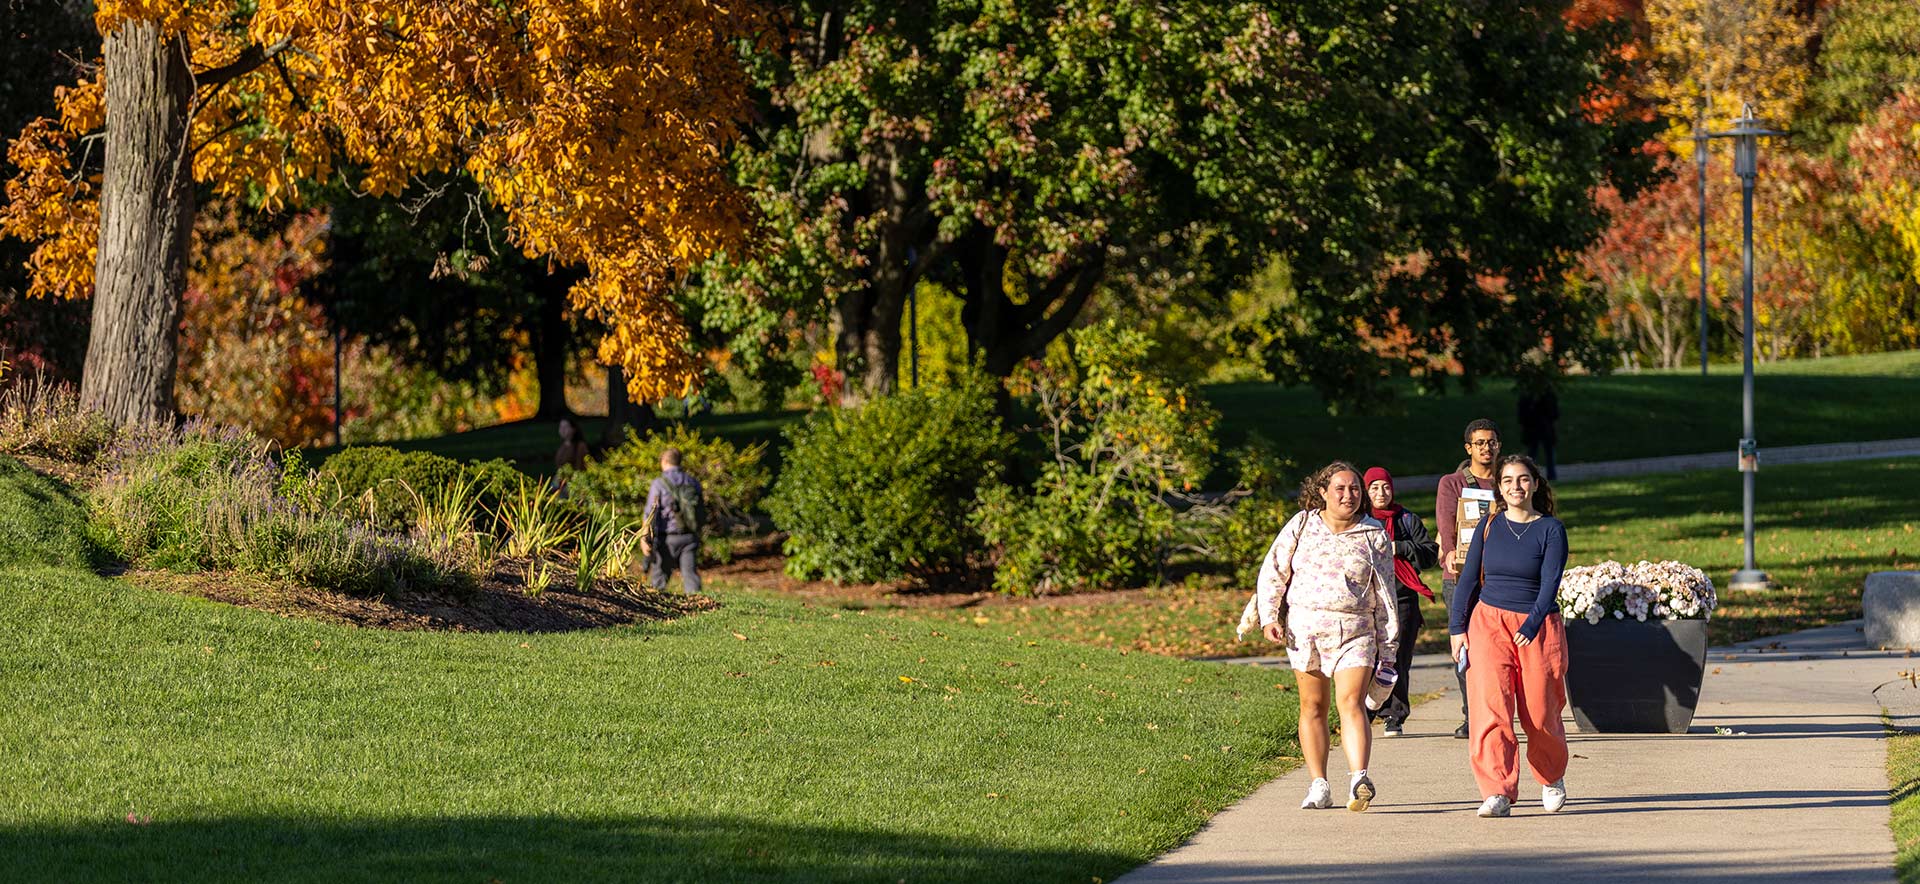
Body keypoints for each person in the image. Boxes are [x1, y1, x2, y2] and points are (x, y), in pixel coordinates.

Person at [1256, 461, 1398, 812]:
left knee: (1350, 702)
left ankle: (1358, 779)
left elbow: (1385, 595)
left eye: (1354, 489)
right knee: (1313, 705)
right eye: (1340, 488)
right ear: (1322, 492)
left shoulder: (1373, 535)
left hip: (1355, 631)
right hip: (1305, 630)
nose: (1348, 495)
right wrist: (1268, 617)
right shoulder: (1302, 524)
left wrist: (1388, 644)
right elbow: (1273, 571)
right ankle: (1319, 784)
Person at [1448, 455, 1569, 818]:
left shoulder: (1550, 529)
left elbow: (1550, 583)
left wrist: (1530, 625)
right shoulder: (1489, 526)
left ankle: (1551, 778)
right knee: (1490, 709)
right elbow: (1468, 579)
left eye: (1523, 480)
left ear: (1535, 484)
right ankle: (1497, 790)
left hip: (1537, 627)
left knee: (1541, 710)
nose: (1515, 487)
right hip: (1488, 623)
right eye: (1507, 481)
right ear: (1499, 487)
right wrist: (1457, 627)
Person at [1435, 418, 1501, 739]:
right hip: (1461, 576)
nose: (1486, 448)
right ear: (1468, 448)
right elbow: (1447, 523)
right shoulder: (1454, 483)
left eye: (1491, 442)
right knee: (1464, 646)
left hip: (1501, 577)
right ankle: (1471, 715)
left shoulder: (1509, 481)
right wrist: (1449, 551)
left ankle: (1499, 712)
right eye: (1479, 443)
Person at [1361, 466, 1439, 737]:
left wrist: (1400, 547)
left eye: (1385, 487)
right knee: (1367, 657)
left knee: (1398, 658)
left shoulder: (1406, 519)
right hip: (1368, 599)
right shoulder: (1359, 520)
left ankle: (1394, 714)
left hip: (1403, 597)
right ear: (1365, 492)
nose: (1380, 493)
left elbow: (1430, 554)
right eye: (1374, 488)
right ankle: (1367, 709)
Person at [644, 447, 706, 594]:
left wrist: (646, 539)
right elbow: (702, 511)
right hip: (689, 536)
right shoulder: (693, 482)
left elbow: (650, 514)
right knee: (690, 575)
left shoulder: (658, 484)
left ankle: (657, 607)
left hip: (667, 539)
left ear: (664, 461)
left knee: (659, 578)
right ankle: (698, 606)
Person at [1517, 383, 1560, 481]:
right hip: (1536, 428)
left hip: (1542, 428)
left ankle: (1549, 475)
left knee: (1545, 453)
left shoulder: (1546, 396)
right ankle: (1532, 475)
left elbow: (1554, 413)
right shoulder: (1529, 397)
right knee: (1534, 454)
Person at [550, 416, 591, 495]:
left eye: (565, 427)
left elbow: (580, 467)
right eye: (561, 427)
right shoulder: (563, 446)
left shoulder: (580, 447)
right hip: (559, 481)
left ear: (573, 429)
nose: (562, 430)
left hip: (572, 484)